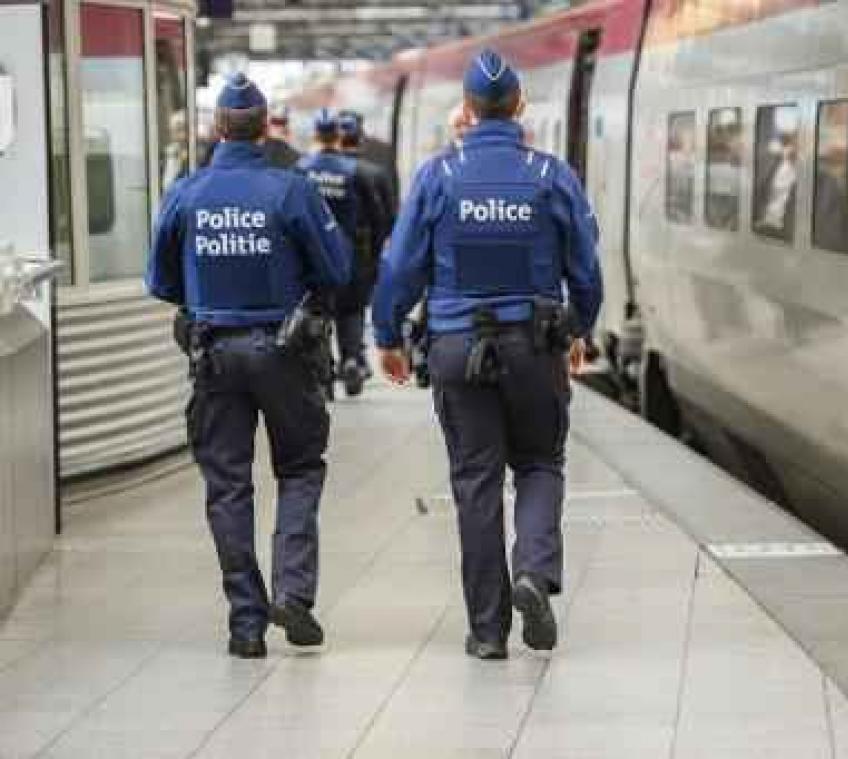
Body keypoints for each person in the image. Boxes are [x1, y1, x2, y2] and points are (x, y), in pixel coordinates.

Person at [373, 49, 602, 660]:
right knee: (540, 462)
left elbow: (400, 267)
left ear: (468, 109)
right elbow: (586, 267)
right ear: (520, 105)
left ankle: (487, 631)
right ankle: (533, 571)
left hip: (455, 347)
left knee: (475, 483)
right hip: (534, 345)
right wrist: (579, 328)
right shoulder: (552, 175)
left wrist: (387, 335)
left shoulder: (438, 176)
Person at [145, 74, 351, 658]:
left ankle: (245, 622)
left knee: (228, 485)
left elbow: (160, 281)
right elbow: (335, 270)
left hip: (212, 353)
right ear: (265, 130)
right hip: (285, 352)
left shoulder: (186, 193)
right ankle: (293, 592)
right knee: (301, 467)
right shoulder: (291, 190)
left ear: (217, 128)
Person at [296, 109, 389, 396]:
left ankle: (323, 371)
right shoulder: (355, 172)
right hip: (350, 254)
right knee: (351, 311)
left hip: (311, 258)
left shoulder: (300, 170)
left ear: (315, 135)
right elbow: (378, 219)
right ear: (338, 136)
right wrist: (373, 257)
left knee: (318, 312)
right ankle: (351, 359)